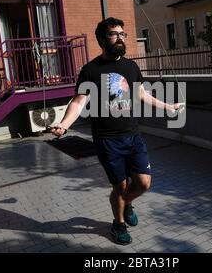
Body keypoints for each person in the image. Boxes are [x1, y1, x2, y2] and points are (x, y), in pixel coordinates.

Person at [51, 17, 184, 245]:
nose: (120, 38)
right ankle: (118, 224)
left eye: (123, 34)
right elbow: (78, 102)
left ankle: (126, 202)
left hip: (133, 136)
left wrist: (168, 107)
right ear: (103, 39)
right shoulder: (91, 70)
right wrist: (64, 124)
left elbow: (142, 95)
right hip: (107, 140)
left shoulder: (131, 67)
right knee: (120, 186)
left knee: (143, 183)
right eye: (114, 34)